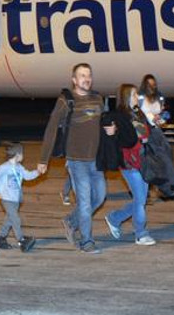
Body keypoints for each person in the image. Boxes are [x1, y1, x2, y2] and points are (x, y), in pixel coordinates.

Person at [38, 63, 116, 254]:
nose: (86, 78)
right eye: (82, 75)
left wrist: (112, 130)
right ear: (74, 80)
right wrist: (43, 159)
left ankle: (71, 221)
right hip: (76, 160)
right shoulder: (66, 100)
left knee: (99, 197)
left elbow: (100, 124)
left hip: (96, 159)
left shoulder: (98, 99)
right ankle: (86, 241)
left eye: (89, 75)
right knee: (85, 202)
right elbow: (51, 128)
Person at [101, 84, 157, 246]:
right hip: (129, 163)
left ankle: (115, 218)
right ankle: (140, 233)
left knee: (141, 199)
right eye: (133, 95)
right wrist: (115, 131)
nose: (136, 97)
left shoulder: (138, 114)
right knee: (140, 200)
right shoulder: (120, 116)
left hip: (142, 161)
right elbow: (124, 138)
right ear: (126, 97)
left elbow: (146, 134)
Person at [0, 143, 40, 252]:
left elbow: (27, 176)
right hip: (6, 198)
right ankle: (21, 241)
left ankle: (0, 238)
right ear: (17, 155)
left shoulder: (19, 167)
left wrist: (38, 172)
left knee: (9, 219)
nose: (23, 156)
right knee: (16, 219)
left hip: (15, 199)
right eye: (22, 154)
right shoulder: (4, 167)